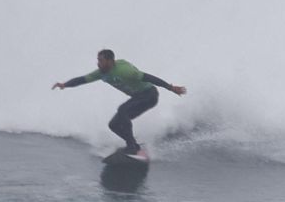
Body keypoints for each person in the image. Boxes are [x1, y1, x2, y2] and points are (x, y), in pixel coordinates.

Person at [53, 49, 186, 154]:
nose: (98, 63)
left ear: (110, 61)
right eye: (97, 60)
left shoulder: (125, 70)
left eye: (101, 60)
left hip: (149, 95)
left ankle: (131, 147)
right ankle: (134, 146)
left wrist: (171, 88)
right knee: (114, 125)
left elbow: (148, 77)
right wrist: (65, 84)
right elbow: (83, 79)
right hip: (137, 97)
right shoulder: (101, 72)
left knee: (122, 111)